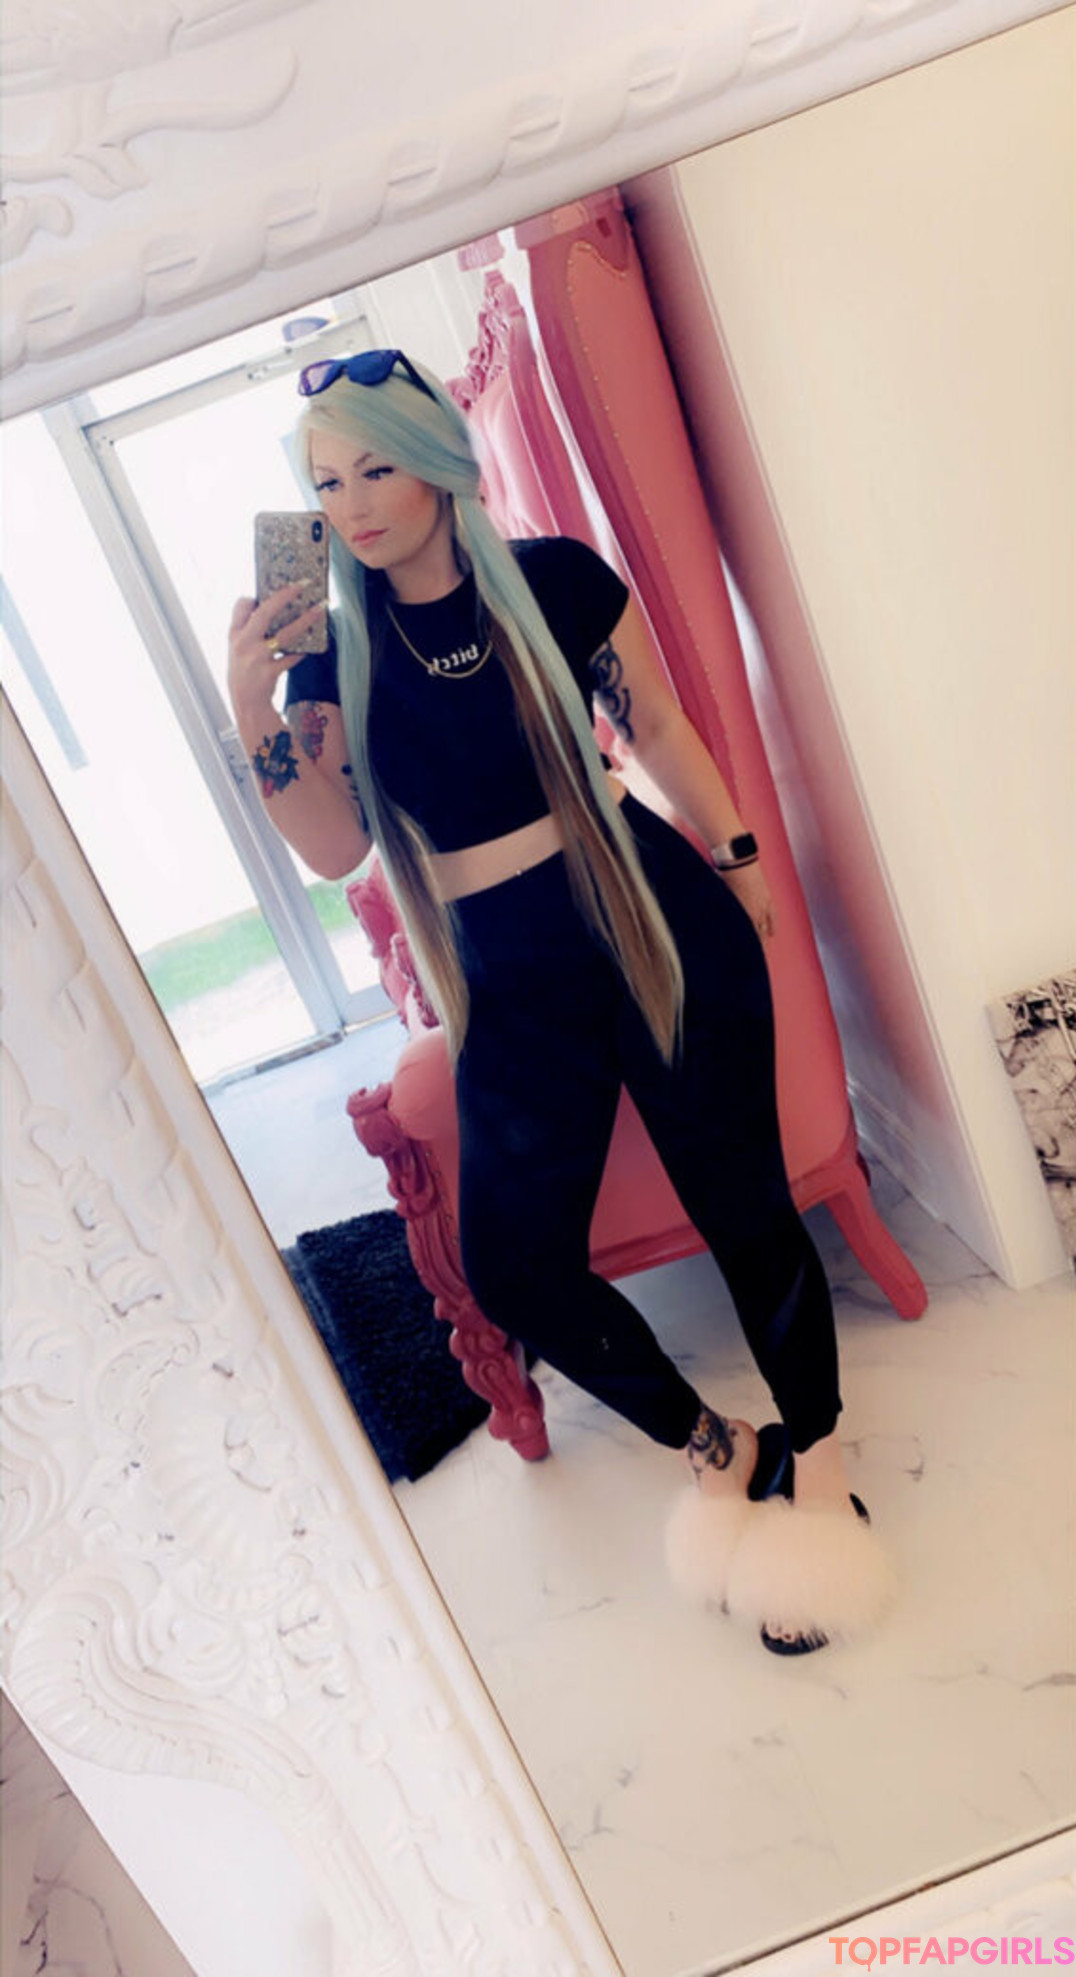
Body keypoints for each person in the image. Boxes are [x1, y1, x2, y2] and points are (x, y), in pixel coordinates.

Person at [227, 348, 894, 1654]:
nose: (351, 504)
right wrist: (251, 704)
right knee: (513, 1263)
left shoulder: (554, 579)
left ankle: (817, 1458)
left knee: (745, 1206)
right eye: (324, 482)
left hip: (648, 916)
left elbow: (656, 729)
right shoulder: (332, 662)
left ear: (434, 460)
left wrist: (738, 855)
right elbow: (335, 847)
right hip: (506, 977)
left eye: (373, 467)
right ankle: (719, 1445)